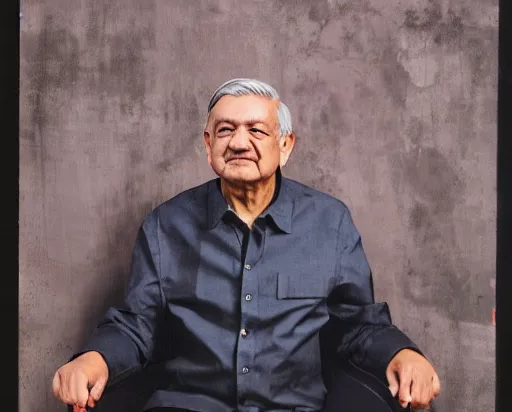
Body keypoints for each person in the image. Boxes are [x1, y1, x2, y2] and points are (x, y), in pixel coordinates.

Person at [52, 78, 440, 412]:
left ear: (285, 145)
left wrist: (403, 354)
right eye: (225, 130)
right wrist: (94, 359)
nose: (239, 142)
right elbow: (137, 325)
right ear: (208, 144)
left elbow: (359, 324)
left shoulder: (329, 223)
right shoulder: (166, 225)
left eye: (256, 130)